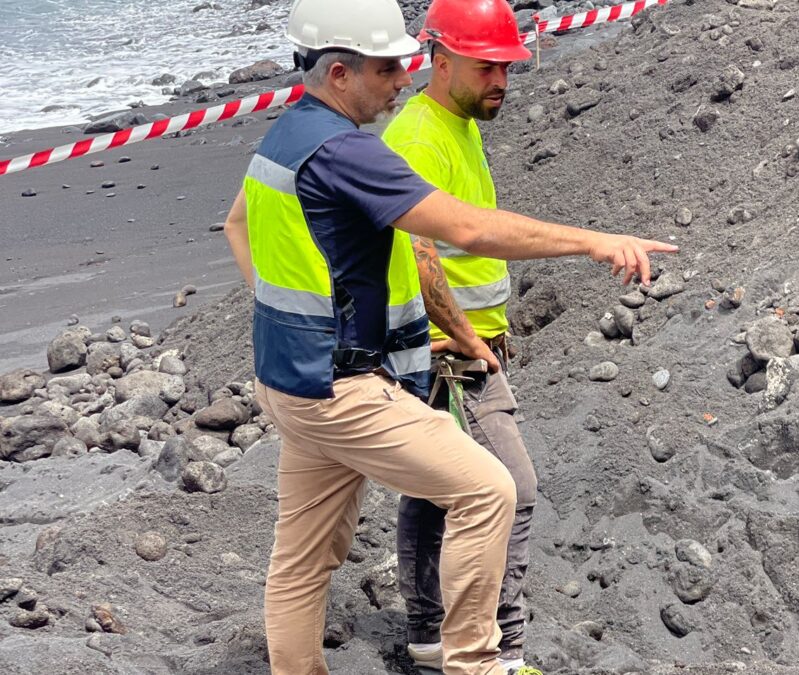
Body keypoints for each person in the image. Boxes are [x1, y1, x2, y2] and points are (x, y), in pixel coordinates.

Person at [222, 0, 676, 673]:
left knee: (303, 554)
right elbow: (463, 230)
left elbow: (239, 226)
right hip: (338, 387)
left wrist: (306, 320)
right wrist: (594, 241)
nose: (400, 81)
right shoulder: (346, 151)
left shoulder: (285, 138)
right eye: (386, 69)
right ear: (339, 73)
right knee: (488, 489)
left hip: (292, 375)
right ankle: (475, 664)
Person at [381, 1, 541, 671]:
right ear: (440, 62)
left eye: (506, 66)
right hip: (450, 354)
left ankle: (427, 632)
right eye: (487, 66)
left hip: (455, 347)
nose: (500, 79)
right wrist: (470, 341)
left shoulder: (460, 121)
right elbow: (419, 262)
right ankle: (499, 649)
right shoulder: (419, 138)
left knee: (434, 488)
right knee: (512, 489)